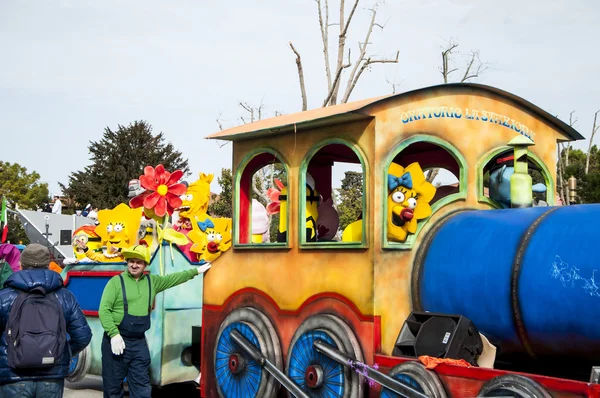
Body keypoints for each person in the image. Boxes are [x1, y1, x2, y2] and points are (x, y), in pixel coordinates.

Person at [99, 244, 211, 398]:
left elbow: (174, 279)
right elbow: (103, 310)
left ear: (145, 264)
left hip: (138, 343)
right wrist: (114, 335)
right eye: (131, 261)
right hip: (117, 341)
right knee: (112, 389)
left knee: (142, 388)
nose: (134, 265)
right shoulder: (115, 283)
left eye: (138, 262)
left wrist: (196, 271)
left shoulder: (153, 282)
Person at [0, 243, 92, 397]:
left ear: (21, 264)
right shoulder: (64, 296)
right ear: (49, 265)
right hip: (52, 376)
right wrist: (61, 351)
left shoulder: (5, 297)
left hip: (13, 376)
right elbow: (83, 336)